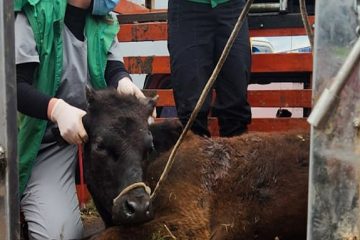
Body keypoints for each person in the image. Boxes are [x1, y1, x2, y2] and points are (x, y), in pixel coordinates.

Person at [15, 0, 145, 238]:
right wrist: (55, 109)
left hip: (99, 139)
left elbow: (112, 67)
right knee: (60, 234)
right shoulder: (33, 14)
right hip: (46, 144)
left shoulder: (104, 18)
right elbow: (15, 86)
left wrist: (124, 81)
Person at [167, 0, 252, 137]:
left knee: (235, 100)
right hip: (187, 8)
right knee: (191, 108)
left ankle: (236, 156)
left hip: (233, 6)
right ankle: (194, 156)